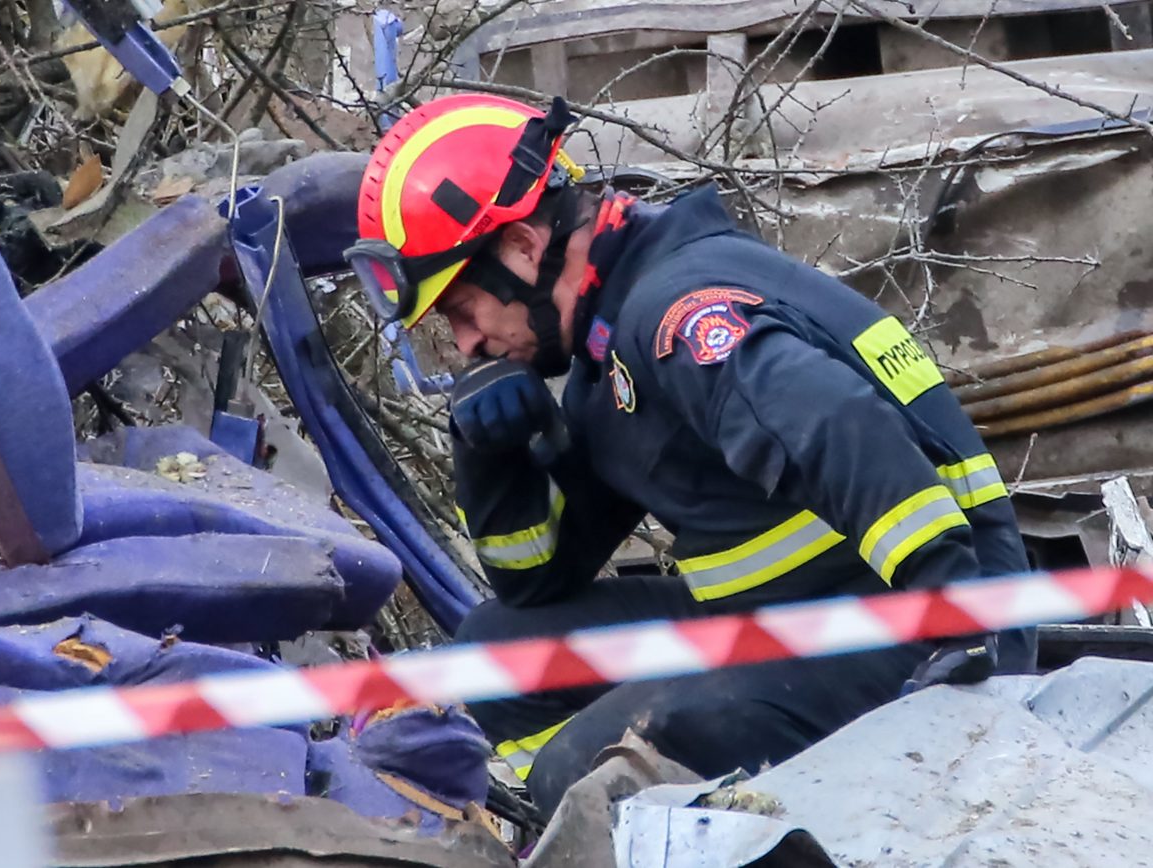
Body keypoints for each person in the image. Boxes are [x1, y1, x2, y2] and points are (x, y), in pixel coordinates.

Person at [346, 93, 1035, 817]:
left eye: (461, 311)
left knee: (589, 767)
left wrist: (957, 622)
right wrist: (492, 453)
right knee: (496, 657)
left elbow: (839, 423)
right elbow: (537, 579)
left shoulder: (677, 314)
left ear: (521, 248)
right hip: (790, 615)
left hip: (927, 626)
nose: (466, 344)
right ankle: (572, 823)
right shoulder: (610, 349)